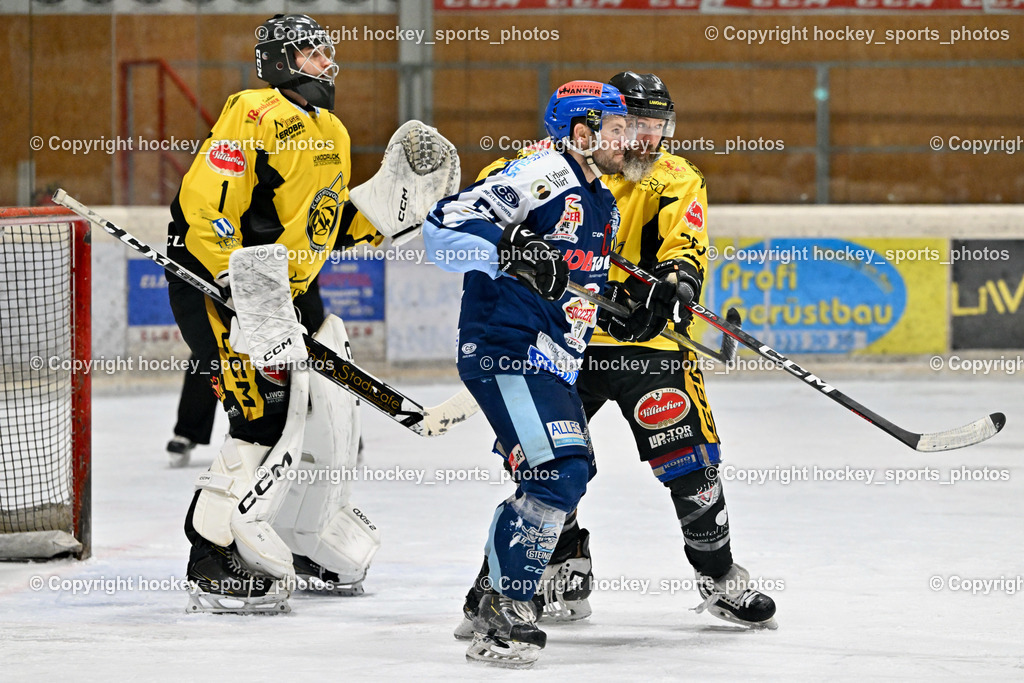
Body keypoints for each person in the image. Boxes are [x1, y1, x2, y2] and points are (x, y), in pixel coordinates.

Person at [454, 72, 777, 633]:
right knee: (549, 462)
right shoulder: (550, 166)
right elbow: (485, 212)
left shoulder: (674, 176)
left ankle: (719, 575)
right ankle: (546, 572)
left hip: (645, 346)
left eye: (658, 127)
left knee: (690, 464)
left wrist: (676, 282)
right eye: (637, 125)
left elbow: (685, 244)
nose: (648, 139)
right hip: (560, 342)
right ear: (607, 125)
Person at [166, 13, 457, 613]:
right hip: (224, 287)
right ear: (279, 61)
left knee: (316, 415)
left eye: (326, 52)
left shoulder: (333, 131)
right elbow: (209, 203)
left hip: (284, 292)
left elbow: (325, 222)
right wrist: (232, 278)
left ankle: (303, 535)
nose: (326, 63)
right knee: (261, 418)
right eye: (311, 53)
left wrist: (390, 208)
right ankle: (210, 552)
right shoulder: (251, 111)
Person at [424, 80, 666, 669]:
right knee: (558, 471)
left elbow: (573, 281)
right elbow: (443, 227)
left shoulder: (601, 200)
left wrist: (629, 311)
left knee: (564, 473)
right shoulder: (544, 173)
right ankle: (507, 609)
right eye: (615, 129)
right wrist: (509, 243)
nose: (628, 139)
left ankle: (489, 600)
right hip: (507, 348)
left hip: (551, 359)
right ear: (581, 133)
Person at [166, 280, 325, 468]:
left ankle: (332, 425)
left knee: (313, 336)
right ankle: (193, 430)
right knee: (219, 342)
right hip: (243, 267)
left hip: (296, 269)